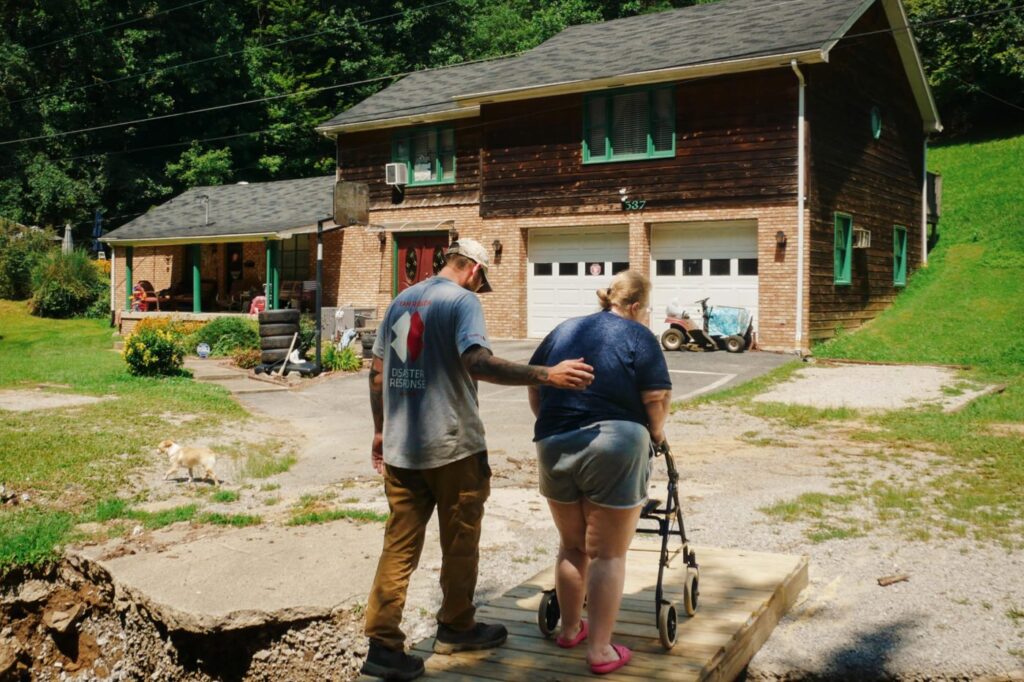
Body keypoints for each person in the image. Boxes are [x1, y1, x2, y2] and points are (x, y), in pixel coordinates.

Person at [361, 238, 596, 681]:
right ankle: (456, 625)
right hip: (452, 447)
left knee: (398, 546)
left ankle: (383, 645)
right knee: (461, 540)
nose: (479, 287)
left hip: (401, 448)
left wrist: (379, 429)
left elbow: (377, 374)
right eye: (481, 280)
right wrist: (547, 374)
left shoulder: (400, 300)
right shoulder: (462, 302)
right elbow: (478, 362)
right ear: (472, 269)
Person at [527, 270, 672, 675]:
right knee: (608, 552)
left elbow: (535, 385)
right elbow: (656, 396)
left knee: (572, 546)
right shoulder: (639, 334)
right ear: (637, 305)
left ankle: (570, 629)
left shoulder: (564, 328)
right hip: (616, 442)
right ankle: (600, 650)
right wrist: (656, 436)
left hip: (553, 441)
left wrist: (556, 422)